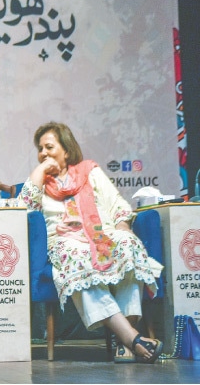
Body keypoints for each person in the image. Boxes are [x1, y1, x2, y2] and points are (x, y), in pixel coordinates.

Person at [18, 121, 164, 363]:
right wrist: (39, 171)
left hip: (101, 235)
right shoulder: (40, 182)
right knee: (76, 256)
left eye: (49, 147)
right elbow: (24, 209)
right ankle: (133, 339)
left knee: (128, 244)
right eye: (40, 149)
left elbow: (118, 206)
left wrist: (120, 231)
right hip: (65, 243)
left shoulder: (90, 171)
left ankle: (124, 339)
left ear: (66, 149)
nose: (43, 153)